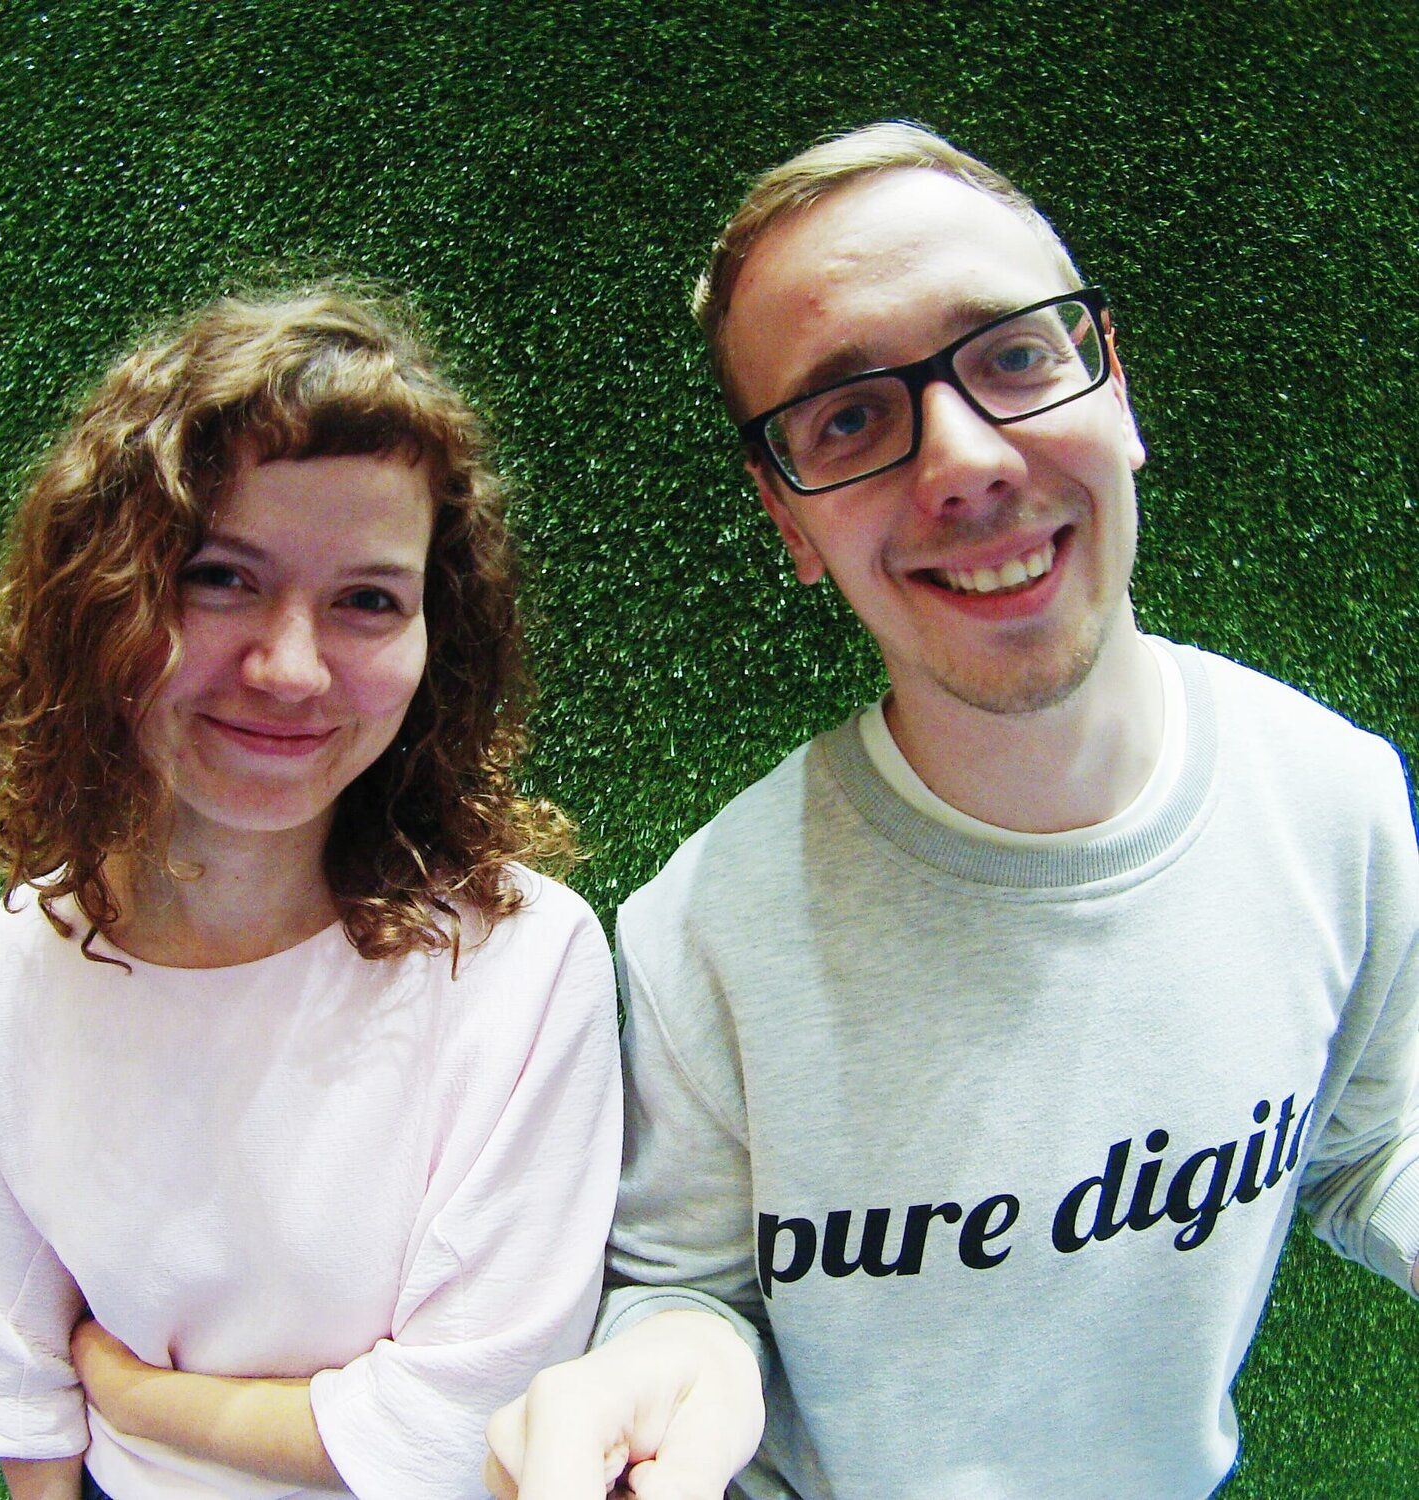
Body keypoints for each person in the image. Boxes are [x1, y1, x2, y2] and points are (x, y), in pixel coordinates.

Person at [483, 123, 1419, 1499]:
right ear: (788, 518)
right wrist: (670, 1362)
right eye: (849, 417)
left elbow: (1369, 1140)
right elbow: (684, 1287)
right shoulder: (703, 930)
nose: (965, 462)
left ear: (1115, 385)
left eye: (1015, 356)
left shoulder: (1339, 805)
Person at [0, 288, 623, 1499]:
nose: (291, 668)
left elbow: (466, 1433)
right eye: (220, 578)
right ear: (101, 599)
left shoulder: (522, 961)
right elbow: (19, 1393)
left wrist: (137, 1396)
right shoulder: (6, 971)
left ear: (435, 639)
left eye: (368, 600)